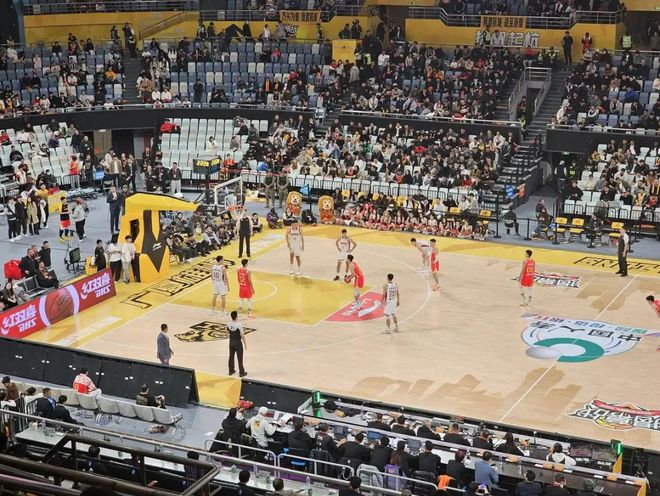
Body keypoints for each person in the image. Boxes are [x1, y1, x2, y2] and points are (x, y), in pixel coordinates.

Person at [227, 311, 248, 377]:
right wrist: (245, 344)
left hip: (231, 342)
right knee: (239, 357)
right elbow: (242, 335)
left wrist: (232, 335)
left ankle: (231, 370)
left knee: (231, 356)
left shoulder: (228, 324)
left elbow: (227, 331)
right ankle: (241, 372)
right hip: (238, 343)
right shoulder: (239, 325)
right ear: (236, 317)